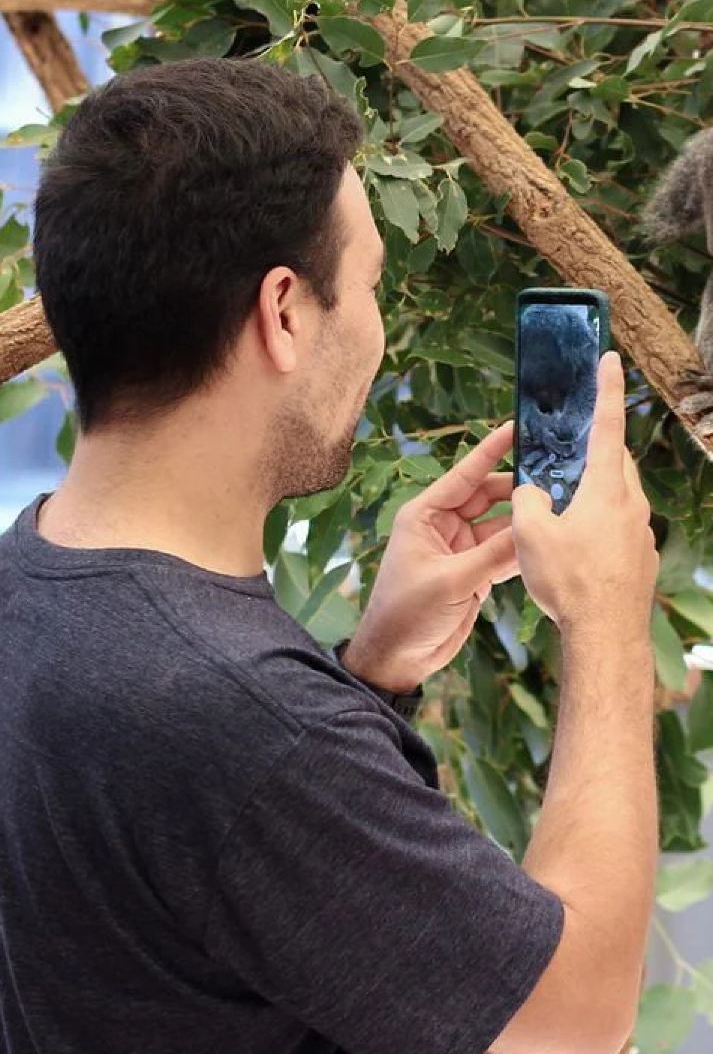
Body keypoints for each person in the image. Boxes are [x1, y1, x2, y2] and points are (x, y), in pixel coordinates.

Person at [0, 57, 660, 1054]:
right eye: (369, 286)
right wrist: (608, 618)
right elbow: (571, 1020)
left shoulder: (32, 590)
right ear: (285, 312)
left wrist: (368, 675)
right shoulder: (235, 717)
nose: (378, 330)